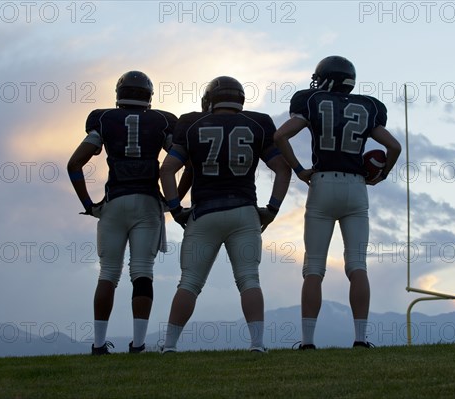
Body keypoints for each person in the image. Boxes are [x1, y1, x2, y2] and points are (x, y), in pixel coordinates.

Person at [273, 56, 401, 349]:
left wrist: (299, 169)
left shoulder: (311, 100)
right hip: (356, 187)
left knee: (314, 267)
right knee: (357, 265)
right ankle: (360, 338)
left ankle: (307, 341)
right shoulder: (369, 106)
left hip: (323, 183)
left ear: (326, 78)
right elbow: (393, 146)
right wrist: (381, 175)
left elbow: (280, 135)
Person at [160, 76, 291, 353]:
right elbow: (282, 168)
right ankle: (257, 344)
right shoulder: (258, 123)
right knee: (249, 279)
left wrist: (174, 208)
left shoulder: (191, 123)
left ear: (210, 100)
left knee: (190, 282)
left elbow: (168, 169)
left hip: (205, 212)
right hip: (244, 211)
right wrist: (273, 209)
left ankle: (169, 345)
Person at [67, 71, 178, 355]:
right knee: (142, 272)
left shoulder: (103, 119)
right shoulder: (162, 121)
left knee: (108, 273)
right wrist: (173, 200)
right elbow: (181, 161)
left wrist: (89, 205)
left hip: (115, 201)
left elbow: (74, 164)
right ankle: (138, 344)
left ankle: (99, 344)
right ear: (148, 95)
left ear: (119, 93)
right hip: (147, 201)